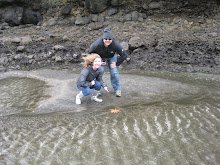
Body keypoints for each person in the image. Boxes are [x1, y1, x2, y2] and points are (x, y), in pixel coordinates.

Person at [89, 28, 127, 97]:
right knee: (99, 71)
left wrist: (116, 63)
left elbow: (124, 55)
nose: (107, 41)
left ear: (112, 39)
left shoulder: (116, 44)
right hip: (101, 57)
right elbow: (90, 54)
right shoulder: (97, 44)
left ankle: (117, 89)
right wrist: (98, 61)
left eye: (109, 39)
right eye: (106, 39)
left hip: (112, 57)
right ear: (103, 39)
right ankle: (97, 89)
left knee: (114, 72)